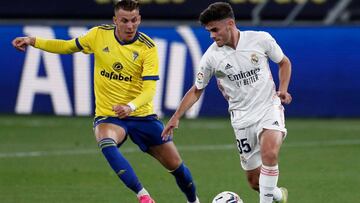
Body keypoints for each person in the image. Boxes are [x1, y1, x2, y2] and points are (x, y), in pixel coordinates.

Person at [12, 1, 200, 203]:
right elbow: (67, 46)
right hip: (109, 115)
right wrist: (32, 40)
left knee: (177, 167)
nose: (130, 26)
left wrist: (130, 106)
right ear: (115, 20)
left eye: (134, 20)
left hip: (142, 116)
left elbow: (149, 89)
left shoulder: (148, 48)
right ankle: (143, 195)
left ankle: (193, 200)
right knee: (105, 140)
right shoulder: (98, 35)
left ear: (139, 19)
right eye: (124, 21)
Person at [161, 2, 291, 203]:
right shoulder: (211, 57)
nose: (212, 35)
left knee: (270, 153)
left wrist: (283, 89)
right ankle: (277, 195)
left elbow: (284, 62)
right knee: (255, 182)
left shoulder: (260, 39)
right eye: (209, 31)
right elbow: (196, 90)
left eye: (215, 29)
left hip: (269, 108)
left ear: (230, 24)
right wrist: (176, 116)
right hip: (241, 119)